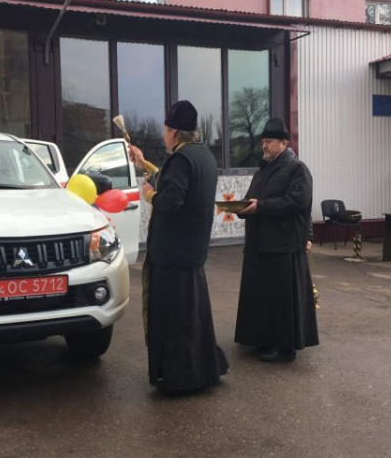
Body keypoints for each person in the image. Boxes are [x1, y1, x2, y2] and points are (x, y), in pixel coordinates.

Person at [129, 100, 229, 393]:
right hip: (191, 255)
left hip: (172, 257)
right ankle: (203, 370)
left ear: (173, 131)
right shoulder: (202, 156)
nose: (164, 135)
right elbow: (170, 179)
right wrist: (143, 164)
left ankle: (179, 379)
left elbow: (171, 199)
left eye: (165, 130)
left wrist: (148, 195)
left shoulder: (182, 159)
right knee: (193, 319)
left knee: (174, 322)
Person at [234, 118, 319, 362]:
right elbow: (252, 199)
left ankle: (284, 346)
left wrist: (260, 207)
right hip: (259, 244)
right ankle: (260, 338)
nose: (265, 146)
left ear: (283, 143)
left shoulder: (297, 169)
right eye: (263, 142)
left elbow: (299, 202)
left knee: (280, 298)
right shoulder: (263, 171)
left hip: (283, 244)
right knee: (261, 295)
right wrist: (241, 207)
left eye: (269, 142)